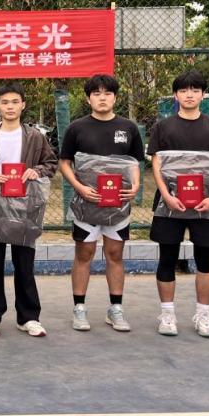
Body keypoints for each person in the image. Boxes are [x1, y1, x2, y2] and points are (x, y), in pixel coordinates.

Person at [0, 82, 57, 338]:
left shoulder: (35, 137)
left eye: (15, 102)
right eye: (5, 102)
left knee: (24, 266)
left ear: (23, 105)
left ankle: (29, 318)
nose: (10, 107)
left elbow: (50, 163)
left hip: (25, 208)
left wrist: (36, 171)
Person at [58, 74, 145, 332]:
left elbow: (134, 163)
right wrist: (80, 187)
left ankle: (115, 309)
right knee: (84, 254)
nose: (102, 98)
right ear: (88, 99)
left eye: (107, 93)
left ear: (115, 97)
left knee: (115, 254)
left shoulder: (128, 128)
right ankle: (79, 309)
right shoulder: (76, 128)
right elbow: (64, 163)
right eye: (96, 94)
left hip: (118, 205)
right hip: (87, 204)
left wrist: (136, 185)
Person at [148, 70, 209, 338]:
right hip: (169, 205)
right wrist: (167, 196)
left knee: (205, 260)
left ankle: (203, 316)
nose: (189, 95)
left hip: (206, 206)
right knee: (167, 258)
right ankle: (167, 315)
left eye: (195, 90)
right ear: (176, 95)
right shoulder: (163, 127)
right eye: (183, 90)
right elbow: (157, 164)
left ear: (203, 94)